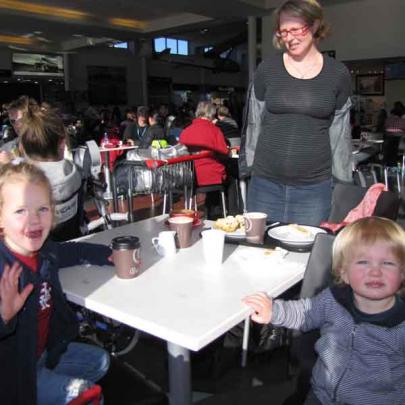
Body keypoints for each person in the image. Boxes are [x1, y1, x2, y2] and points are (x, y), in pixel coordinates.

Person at [243, 216, 405, 405]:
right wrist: (274, 311)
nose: (375, 271)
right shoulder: (333, 300)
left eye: (387, 263)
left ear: (402, 273)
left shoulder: (400, 325)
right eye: (363, 262)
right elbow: (305, 311)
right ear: (343, 271)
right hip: (321, 397)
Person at [0, 161, 111, 405]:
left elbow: (69, 252)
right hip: (15, 375)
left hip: (45, 354)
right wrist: (4, 317)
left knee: (102, 361)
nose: (34, 220)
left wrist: (105, 253)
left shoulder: (45, 251)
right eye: (20, 211)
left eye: (42, 209)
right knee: (89, 395)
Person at [243, 0, 352, 226]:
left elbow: (340, 133)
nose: (289, 38)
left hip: (314, 189)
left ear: (314, 25)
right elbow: (254, 121)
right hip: (264, 184)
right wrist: (249, 168)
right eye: (283, 32)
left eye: (296, 29)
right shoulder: (267, 69)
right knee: (259, 253)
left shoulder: (337, 73)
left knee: (307, 256)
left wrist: (343, 182)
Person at [18, 102, 84, 242]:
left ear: (23, 146)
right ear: (62, 144)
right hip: (72, 248)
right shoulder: (74, 173)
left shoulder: (18, 184)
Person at [180, 101, 230, 218]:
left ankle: (206, 211)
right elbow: (224, 151)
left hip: (190, 176)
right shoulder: (214, 130)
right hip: (211, 175)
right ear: (212, 115)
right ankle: (218, 213)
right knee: (230, 178)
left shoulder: (186, 130)